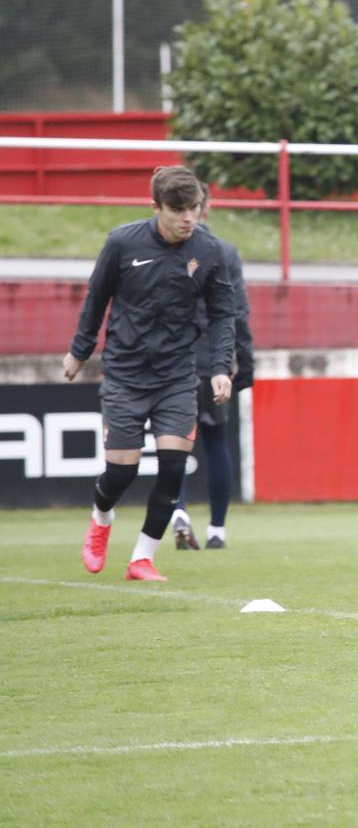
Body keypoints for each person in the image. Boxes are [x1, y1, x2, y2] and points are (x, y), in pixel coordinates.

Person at [64, 165, 237, 582]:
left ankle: (142, 557)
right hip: (125, 373)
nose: (188, 218)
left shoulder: (211, 250)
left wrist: (220, 367)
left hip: (177, 375)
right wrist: (79, 350)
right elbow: (97, 299)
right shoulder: (123, 243)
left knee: (174, 467)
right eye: (178, 210)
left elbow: (223, 314)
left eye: (194, 208)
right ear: (156, 206)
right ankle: (101, 518)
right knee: (121, 471)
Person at [170, 183, 252, 552]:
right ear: (208, 207)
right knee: (217, 442)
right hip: (214, 361)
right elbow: (237, 314)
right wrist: (245, 364)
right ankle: (217, 528)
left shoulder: (160, 248)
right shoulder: (224, 251)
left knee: (174, 443)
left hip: (173, 363)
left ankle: (179, 510)